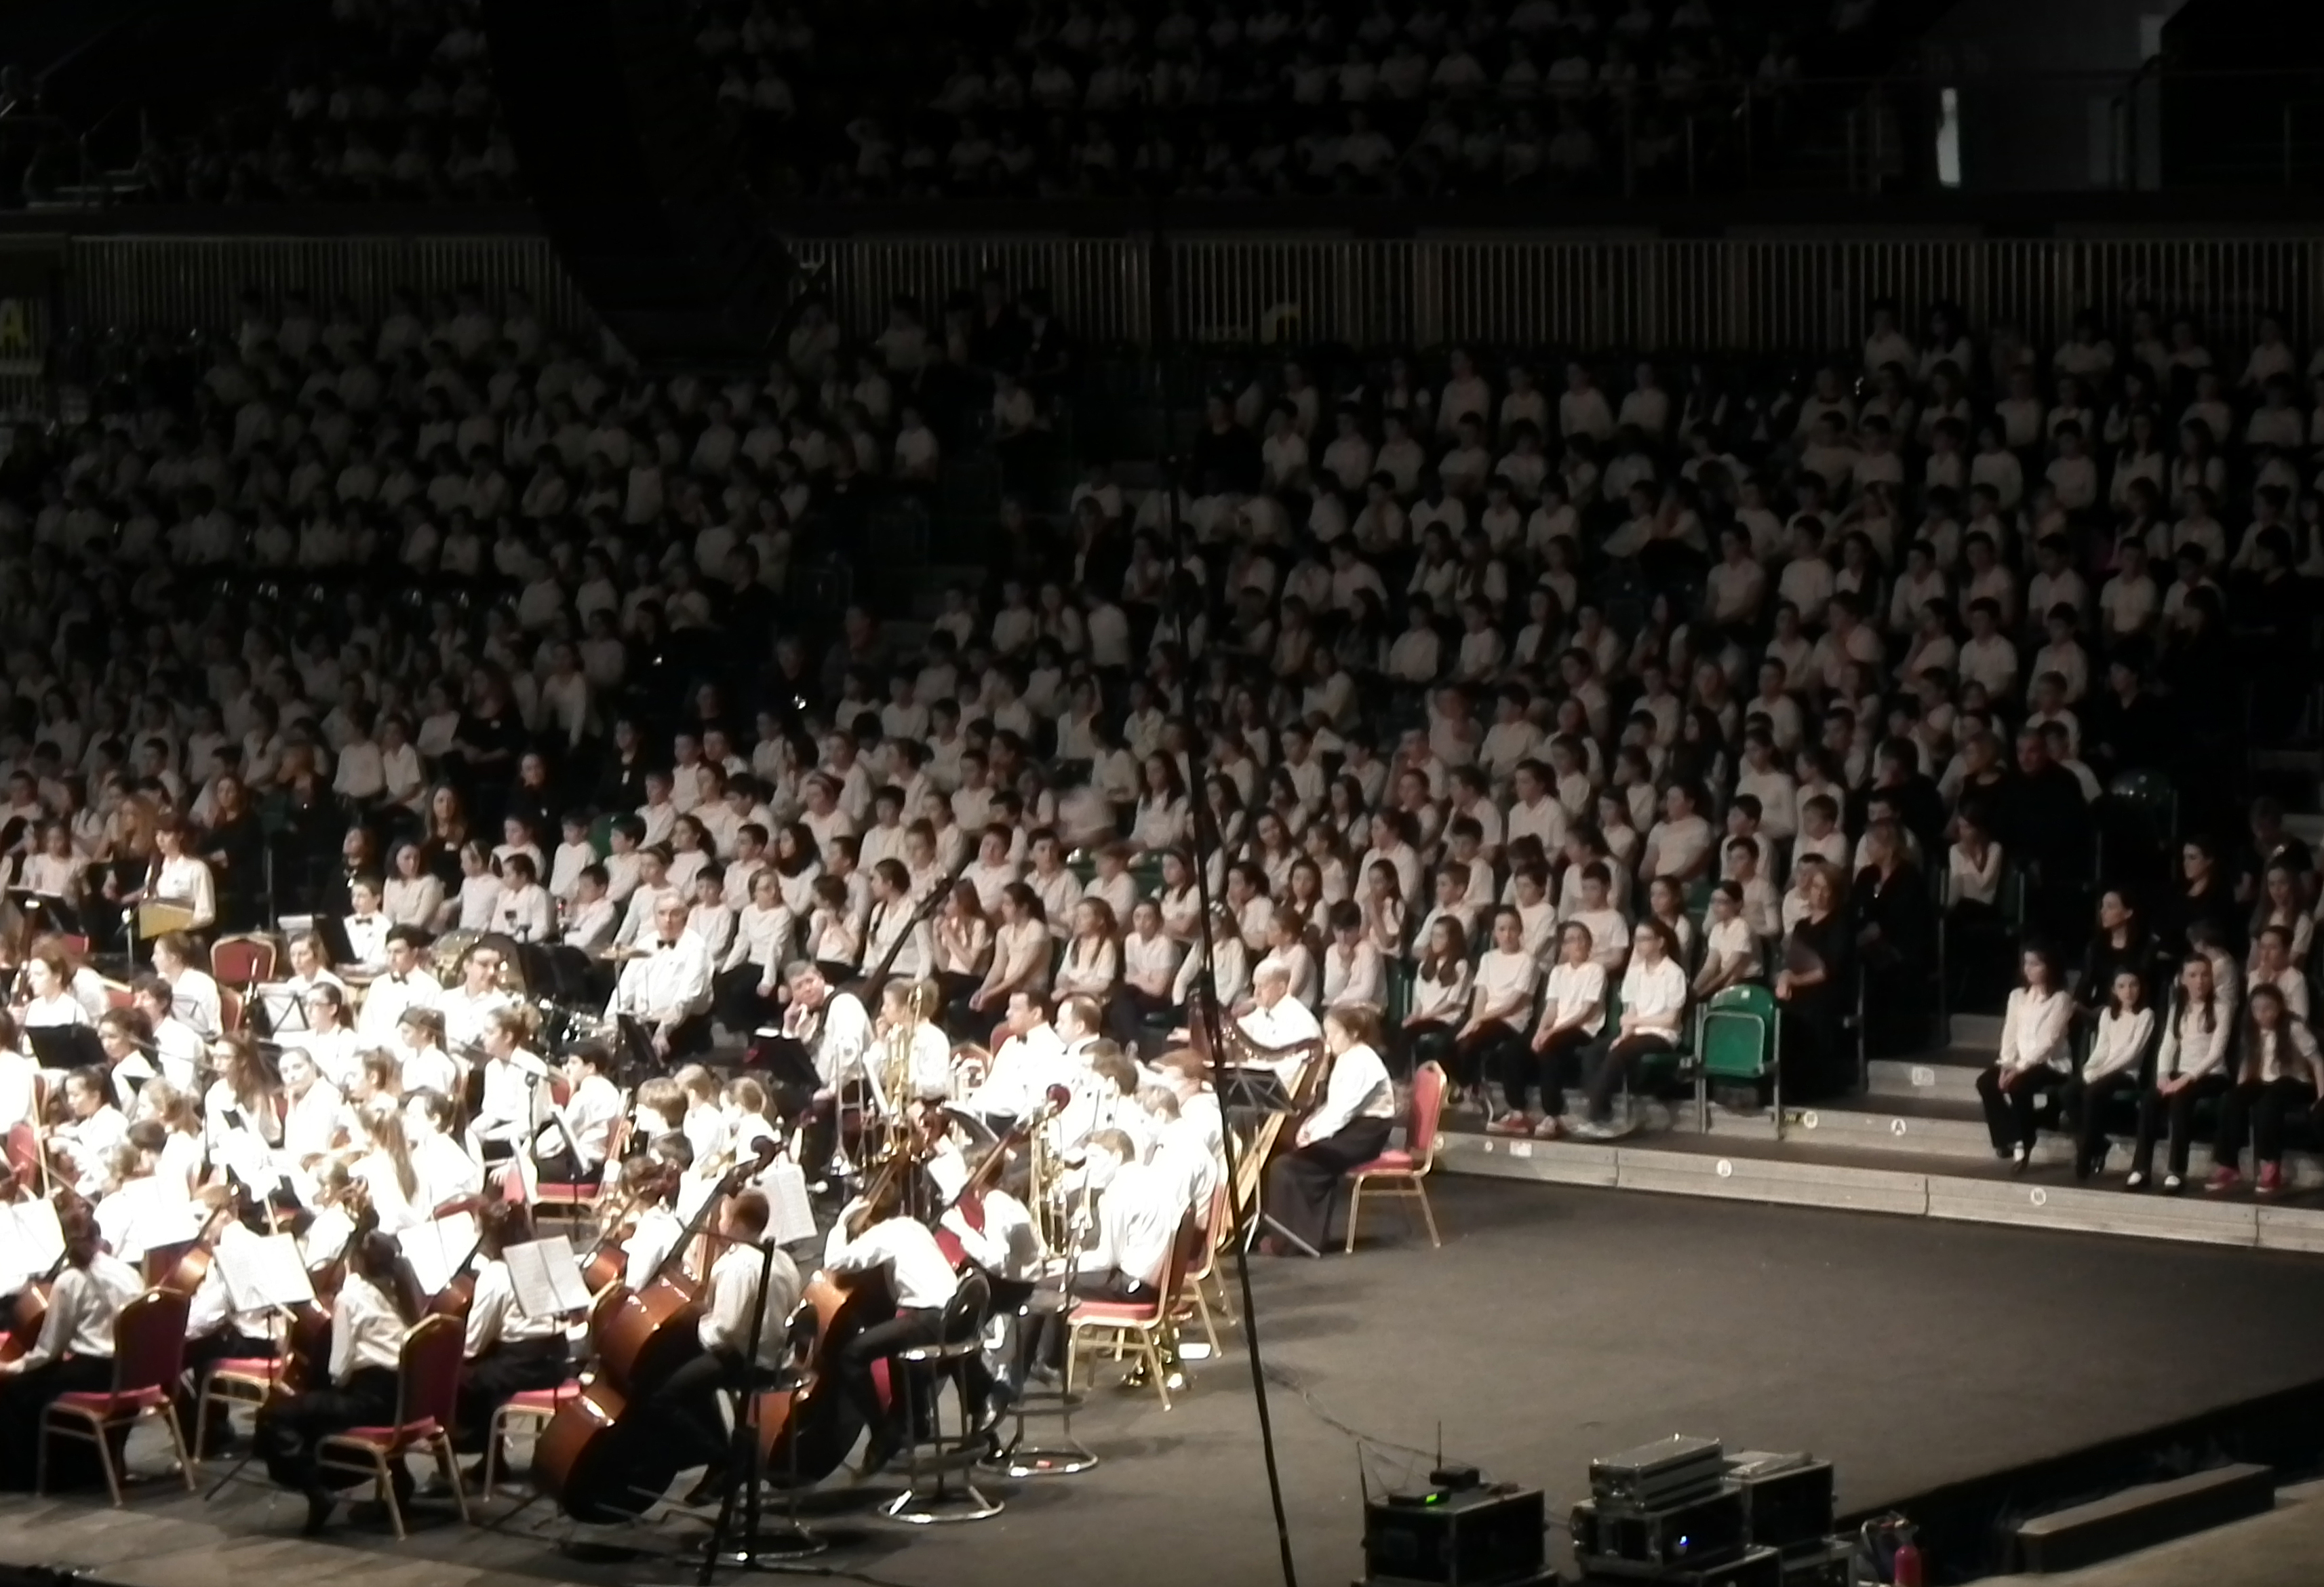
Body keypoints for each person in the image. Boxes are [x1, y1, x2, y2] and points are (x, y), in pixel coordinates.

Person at [258, 1228, 413, 1532]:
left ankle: (317, 1491)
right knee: (313, 1407)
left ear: (356, 1261)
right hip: (404, 1401)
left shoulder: (350, 1298)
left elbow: (339, 1372)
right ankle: (400, 1478)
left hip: (371, 1405)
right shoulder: (401, 1294)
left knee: (275, 1415)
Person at [824, 1188, 970, 1474]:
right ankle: (916, 1419)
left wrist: (842, 1223)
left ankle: (883, 1431)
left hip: (930, 1319)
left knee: (852, 1355)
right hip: (954, 1313)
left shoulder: (884, 1234)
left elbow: (835, 1262)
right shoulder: (913, 1225)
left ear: (869, 1220)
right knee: (894, 1340)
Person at [0, 1201, 141, 1491]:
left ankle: (32, 1477)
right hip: (130, 1371)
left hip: (95, 1375)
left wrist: (12, 1367)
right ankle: (92, 1465)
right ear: (97, 1236)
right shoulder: (126, 1272)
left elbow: (48, 1351)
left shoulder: (69, 1281)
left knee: (16, 1392)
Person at [1259, 1001, 1396, 1255]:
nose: (1328, 1040)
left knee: (1288, 1165)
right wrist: (1311, 1125)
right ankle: (1288, 1236)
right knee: (1285, 1161)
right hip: (1352, 1128)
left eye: (1333, 1033)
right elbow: (1333, 1106)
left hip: (1365, 1134)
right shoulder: (1347, 1058)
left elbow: (1343, 1112)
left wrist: (1314, 1137)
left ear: (1353, 1034)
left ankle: (1298, 1239)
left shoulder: (1363, 1062)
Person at [454, 1202, 572, 1481]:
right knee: (487, 1375)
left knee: (460, 1378)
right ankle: (493, 1460)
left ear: (490, 1237)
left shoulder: (495, 1274)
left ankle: (474, 1451)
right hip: (557, 1361)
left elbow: (473, 1345)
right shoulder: (544, 1261)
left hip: (521, 1367)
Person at [2128, 954, 2235, 1192]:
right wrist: (2163, 1074)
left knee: (2181, 1100)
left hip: (2211, 1075)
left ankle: (2176, 1170)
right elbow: (2168, 1043)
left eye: (2205, 975)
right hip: (2181, 1073)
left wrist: (2185, 1080)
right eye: (2193, 975)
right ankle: (2141, 1168)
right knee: (2150, 1099)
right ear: (2183, 980)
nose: (2200, 981)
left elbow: (2216, 1053)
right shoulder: (2178, 1008)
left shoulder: (2222, 1008)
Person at [1575, 918, 1689, 1138]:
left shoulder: (1674, 973)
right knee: (1593, 1053)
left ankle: (1595, 1115)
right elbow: (1630, 1012)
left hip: (1661, 1035)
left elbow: (1671, 1020)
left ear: (1660, 942)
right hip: (1635, 1032)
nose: (1639, 944)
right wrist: (1624, 1035)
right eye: (1637, 939)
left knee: (1620, 1052)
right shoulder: (1635, 972)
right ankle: (1604, 1111)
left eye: (1645, 939)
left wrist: (1636, 1023)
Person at [2207, 983, 2323, 1196]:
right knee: (2232, 1098)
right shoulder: (2251, 1030)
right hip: (2265, 1082)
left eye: (2268, 1008)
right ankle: (2228, 1164)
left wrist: (2321, 1097)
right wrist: (2241, 1091)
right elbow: (2247, 1063)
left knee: (2269, 1101)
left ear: (2279, 1007)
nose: (2262, 1014)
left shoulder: (2294, 1027)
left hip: (2296, 1083)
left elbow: (2317, 1062)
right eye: (2257, 1009)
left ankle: (2271, 1166)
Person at [1493, 922, 1604, 1138]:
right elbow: (1551, 1008)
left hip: (1582, 1028)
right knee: (1513, 1049)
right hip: (1556, 1027)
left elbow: (1586, 1012)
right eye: (1571, 940)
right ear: (1563, 946)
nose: (1577, 944)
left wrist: (1550, 1033)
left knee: (1550, 1049)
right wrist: (1540, 1031)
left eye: (1581, 939)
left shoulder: (1595, 970)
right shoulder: (1558, 972)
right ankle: (1518, 1111)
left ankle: (1553, 1114)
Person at [1972, 945, 2075, 1169]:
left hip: (2050, 1064)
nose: (2028, 969)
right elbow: (2010, 1034)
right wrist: (2007, 1065)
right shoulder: (2017, 996)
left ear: (2049, 967)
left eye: (2035, 964)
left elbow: (2049, 1042)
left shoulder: (2061, 999)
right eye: (2026, 963)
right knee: (1986, 1082)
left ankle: (2024, 1141)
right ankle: (2008, 1135)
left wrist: (2019, 1069)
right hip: (2019, 1062)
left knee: (2018, 1084)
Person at [610, 894, 713, 1058]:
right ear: (655, 917)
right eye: (662, 913)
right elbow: (625, 988)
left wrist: (664, 1029)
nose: (668, 920)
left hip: (682, 1025)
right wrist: (610, 1024)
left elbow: (687, 997)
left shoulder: (696, 947)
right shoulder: (645, 943)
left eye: (675, 914)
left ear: (685, 916)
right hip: (645, 1022)